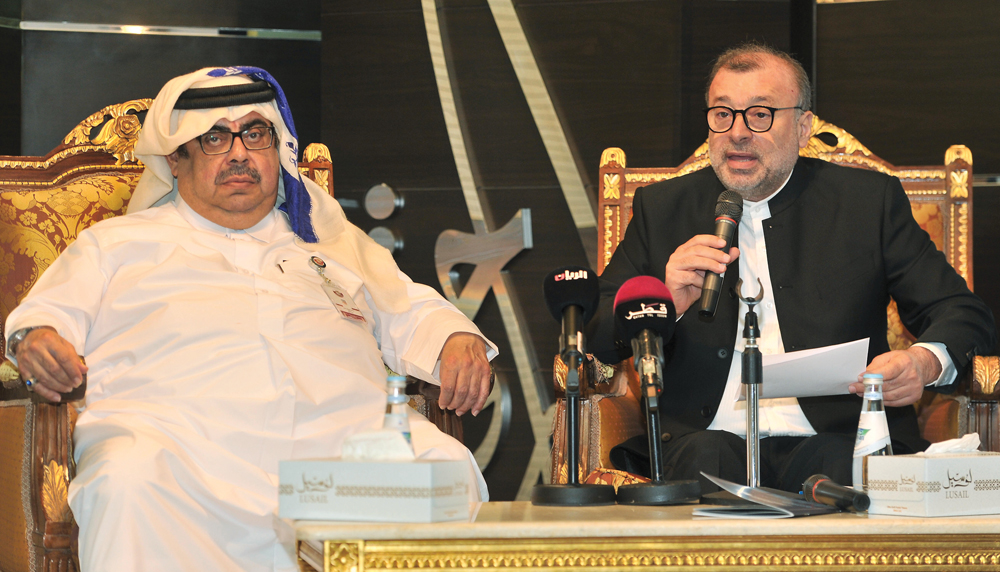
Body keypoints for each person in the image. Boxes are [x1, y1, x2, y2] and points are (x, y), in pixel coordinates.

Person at [5, 67, 496, 572]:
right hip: (183, 460)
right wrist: (38, 339)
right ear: (176, 158)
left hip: (333, 460)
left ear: (275, 148)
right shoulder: (117, 244)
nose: (239, 153)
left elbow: (409, 304)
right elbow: (45, 317)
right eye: (215, 138)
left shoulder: (328, 240)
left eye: (255, 134)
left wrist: (455, 336)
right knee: (126, 481)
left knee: (445, 471)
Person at [589, 43, 996, 494]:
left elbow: (963, 312)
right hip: (702, 442)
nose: (738, 133)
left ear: (803, 127)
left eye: (760, 114)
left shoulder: (866, 203)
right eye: (722, 114)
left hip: (837, 437)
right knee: (707, 458)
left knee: (841, 467)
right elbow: (595, 329)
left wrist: (922, 362)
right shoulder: (663, 208)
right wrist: (662, 301)